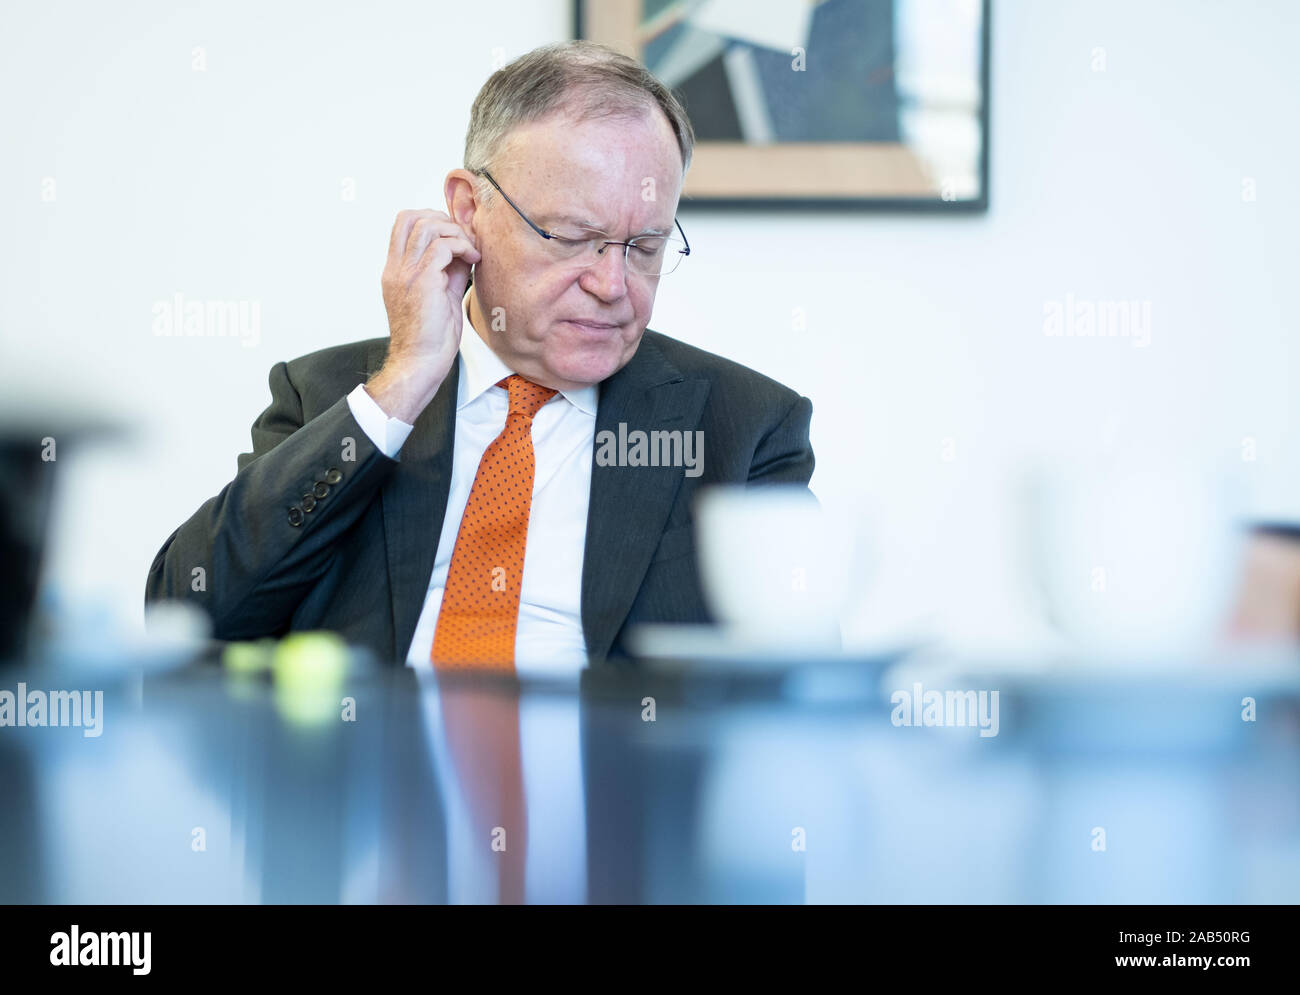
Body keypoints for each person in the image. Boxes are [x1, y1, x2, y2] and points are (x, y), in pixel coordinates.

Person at [144, 40, 816, 672]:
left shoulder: (743, 428)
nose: (613, 285)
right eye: (573, 237)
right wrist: (402, 383)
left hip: (609, 787)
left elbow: (797, 676)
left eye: (644, 246)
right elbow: (187, 615)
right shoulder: (330, 395)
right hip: (364, 780)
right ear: (469, 210)